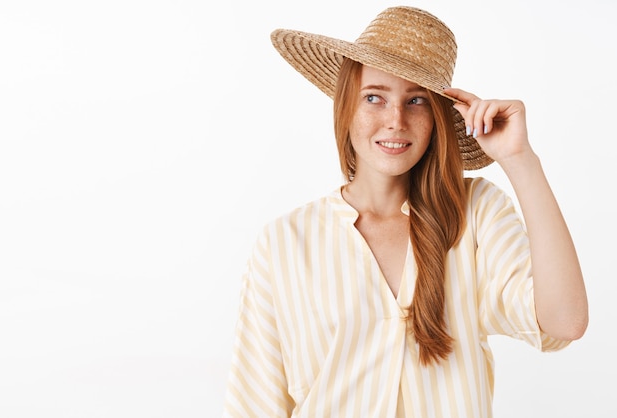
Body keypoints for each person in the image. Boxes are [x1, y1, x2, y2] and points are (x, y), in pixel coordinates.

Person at [223, 5, 588, 417]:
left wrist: (520, 159)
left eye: (416, 100)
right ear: (346, 107)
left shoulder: (475, 214)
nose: (395, 120)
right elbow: (254, 403)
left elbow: (565, 322)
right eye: (374, 97)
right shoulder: (286, 242)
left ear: (436, 118)